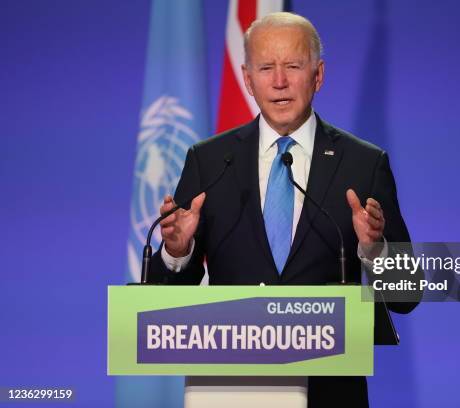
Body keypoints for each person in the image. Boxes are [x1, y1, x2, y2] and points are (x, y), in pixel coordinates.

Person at [149, 12, 418, 408]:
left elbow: (407, 295)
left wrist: (376, 250)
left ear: (318, 75)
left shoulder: (363, 164)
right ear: (247, 79)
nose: (279, 82)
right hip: (229, 388)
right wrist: (176, 252)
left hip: (329, 392)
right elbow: (162, 300)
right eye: (265, 68)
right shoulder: (210, 161)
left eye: (293, 66)